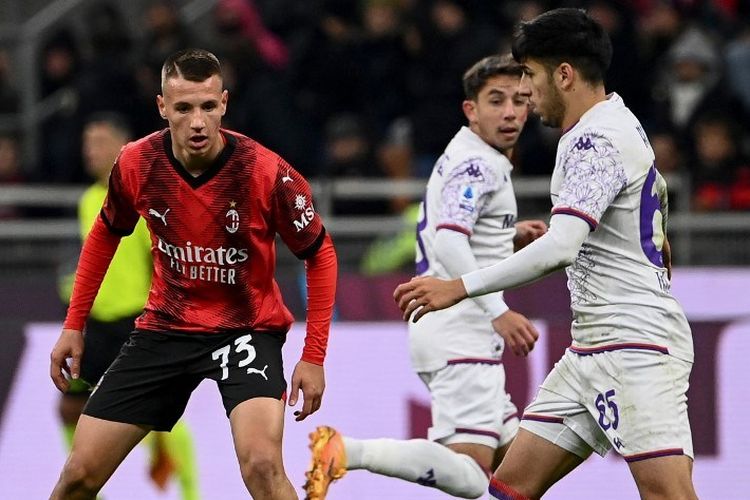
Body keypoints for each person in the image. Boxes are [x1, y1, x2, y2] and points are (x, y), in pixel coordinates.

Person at [394, 8, 698, 500]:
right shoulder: (615, 123)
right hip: (591, 348)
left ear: (564, 74)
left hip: (634, 346)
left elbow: (561, 248)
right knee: (509, 488)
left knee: (668, 494)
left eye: (531, 77)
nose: (527, 94)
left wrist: (459, 287)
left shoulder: (595, 140)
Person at [49, 48, 338, 500]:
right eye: (183, 108)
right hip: (165, 328)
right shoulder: (136, 163)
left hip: (245, 330)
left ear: (224, 103)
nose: (198, 121)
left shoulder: (268, 173)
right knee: (78, 476)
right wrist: (74, 324)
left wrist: (314, 354)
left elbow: (320, 255)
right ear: (163, 108)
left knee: (262, 465)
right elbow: (104, 236)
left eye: (207, 106)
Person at [304, 55, 547, 499]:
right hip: (461, 329)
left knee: (523, 464)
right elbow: (449, 241)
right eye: (496, 100)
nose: (510, 111)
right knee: (473, 477)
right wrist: (498, 312)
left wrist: (506, 235)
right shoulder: (477, 165)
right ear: (470, 109)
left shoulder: (477, 158)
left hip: (456, 329)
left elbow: (460, 231)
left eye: (519, 100)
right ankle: (346, 451)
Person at [56, 113, 200, 499]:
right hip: (100, 328)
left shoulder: (143, 197)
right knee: (71, 407)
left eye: (99, 142)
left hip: (137, 324)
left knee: (158, 415)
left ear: (121, 147)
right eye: (87, 143)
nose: (90, 150)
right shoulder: (87, 199)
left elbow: (161, 260)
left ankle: (191, 493)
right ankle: (90, 490)